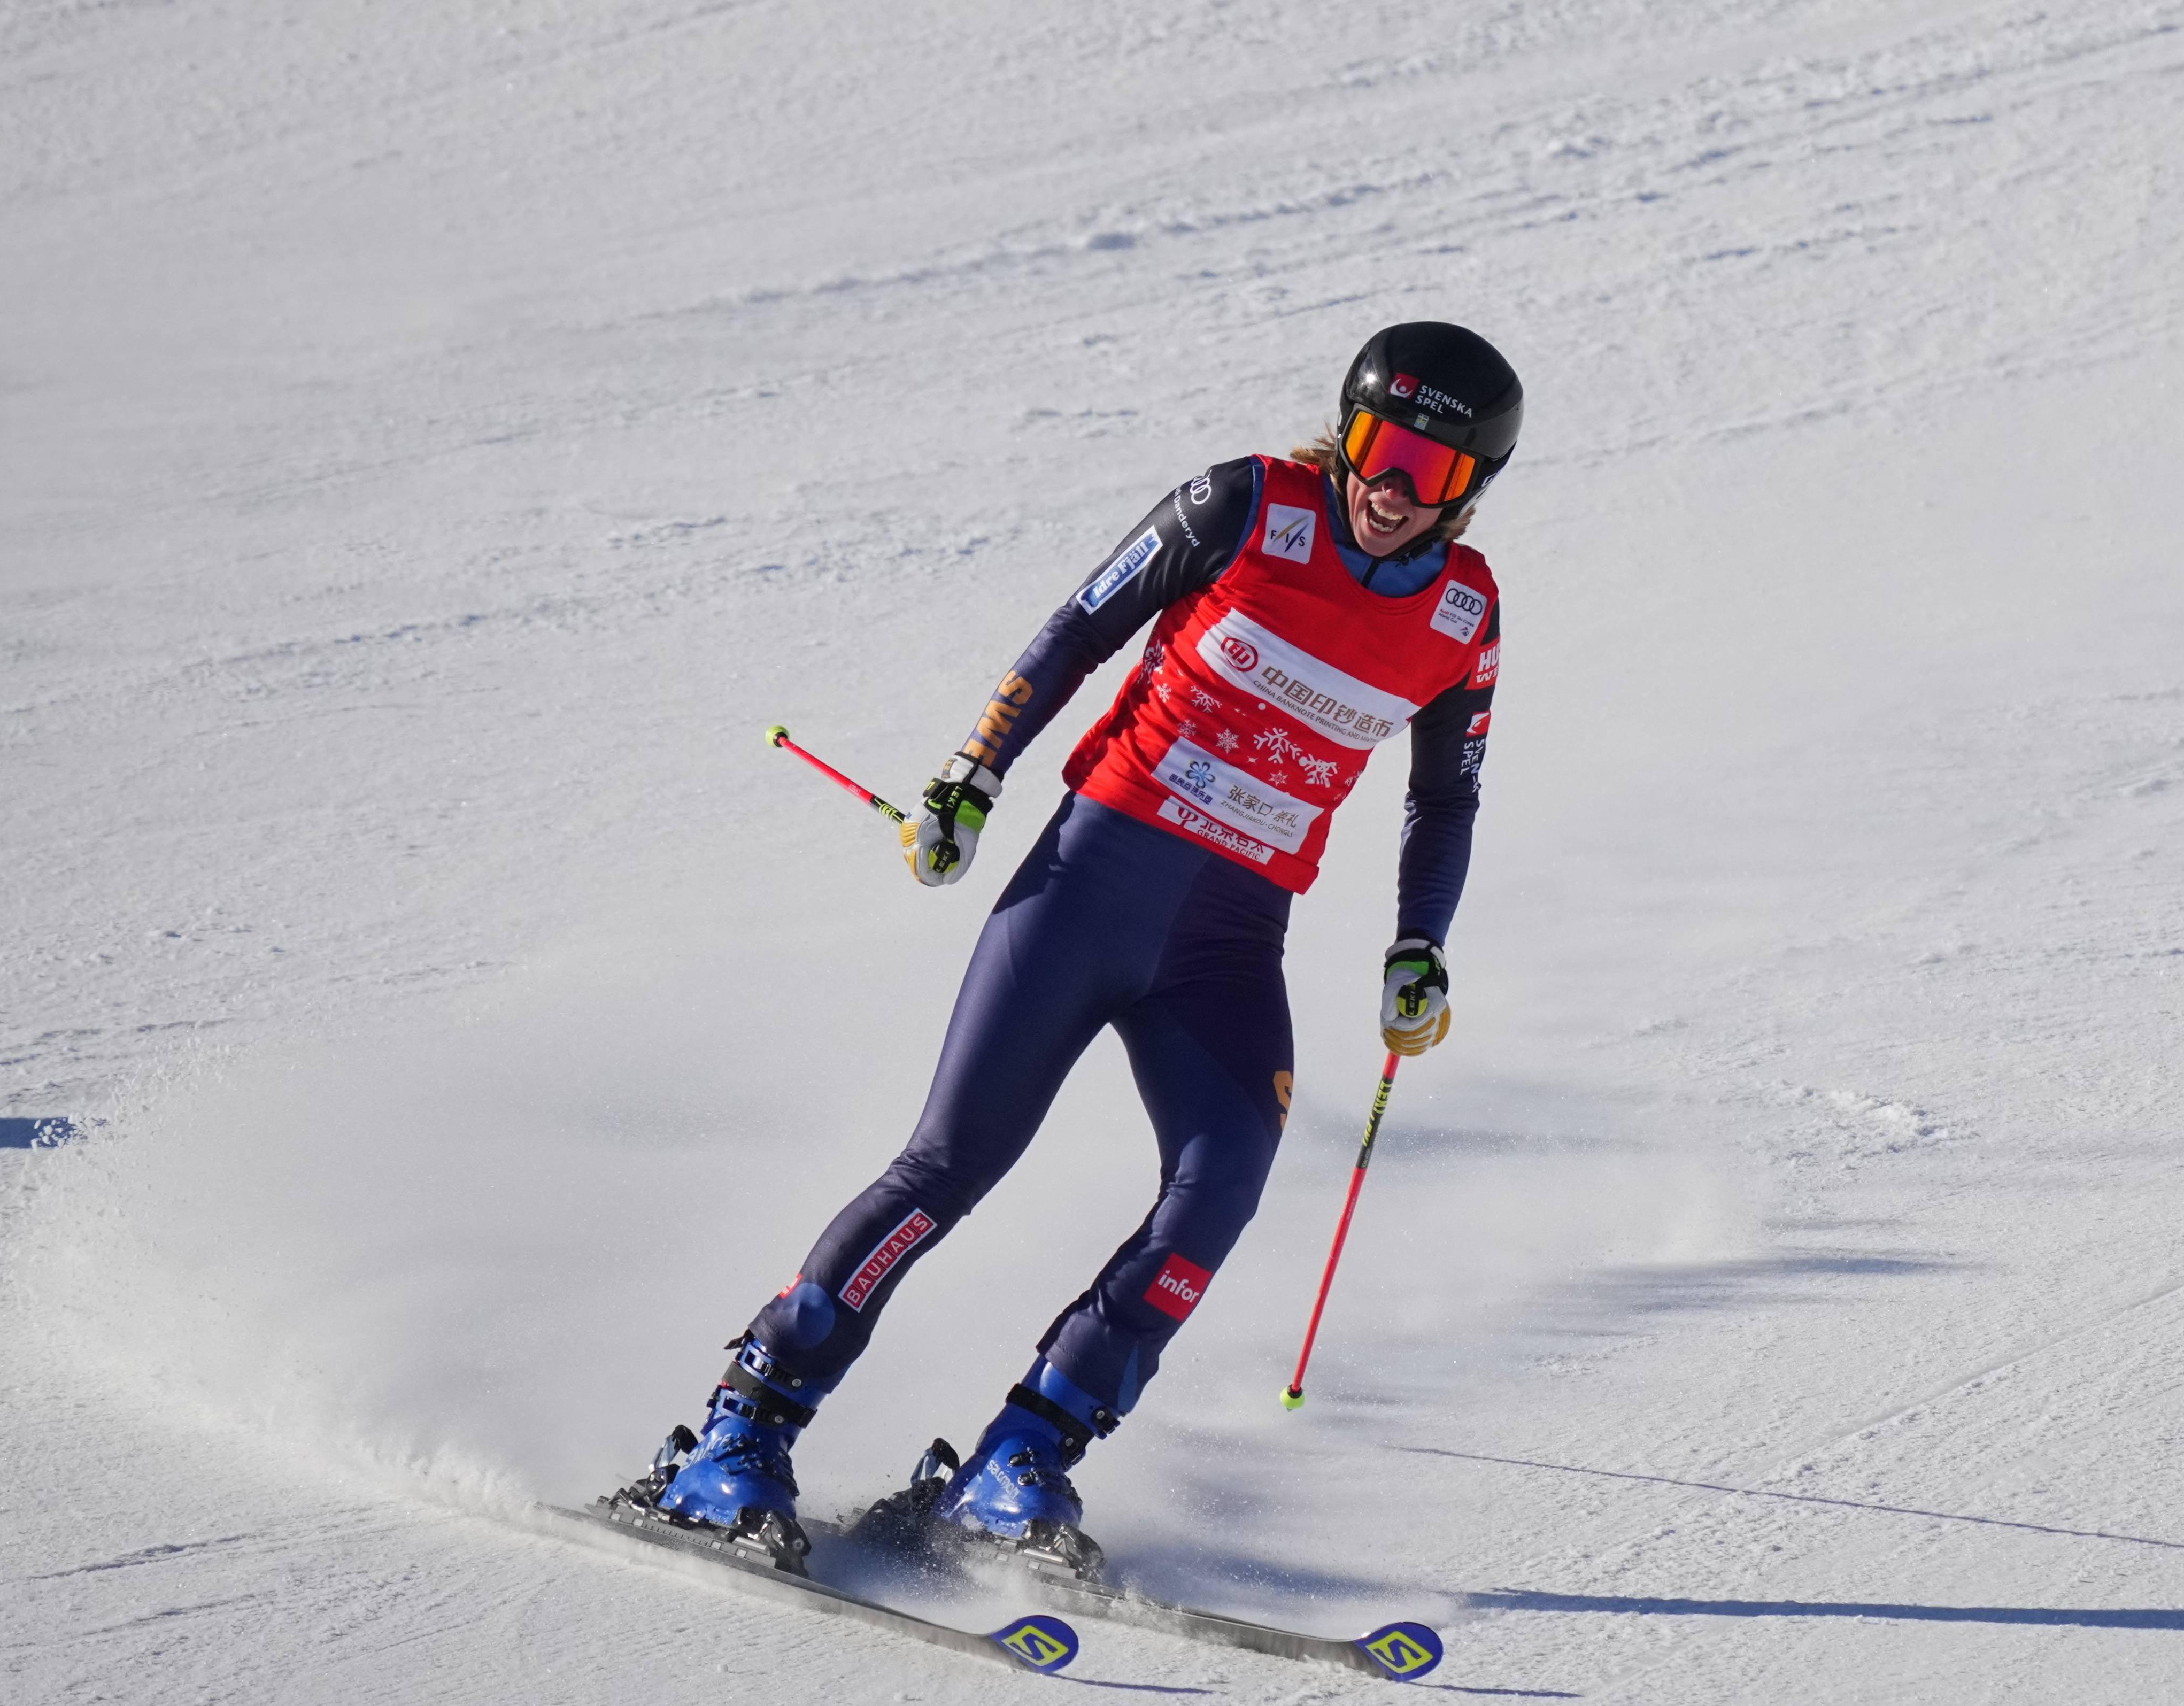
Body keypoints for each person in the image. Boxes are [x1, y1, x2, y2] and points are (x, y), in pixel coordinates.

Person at [636, 321, 1521, 1571]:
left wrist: (1419, 947)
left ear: (1469, 490)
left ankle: (1024, 1454)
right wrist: (970, 774)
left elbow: (1448, 799)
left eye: (1429, 473)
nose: (1389, 488)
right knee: (951, 1163)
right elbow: (1077, 629)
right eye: (1378, 448)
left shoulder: (1466, 615)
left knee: (1222, 1184)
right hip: (1089, 880)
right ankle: (741, 1427)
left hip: (1228, 943)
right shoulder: (1245, 504)